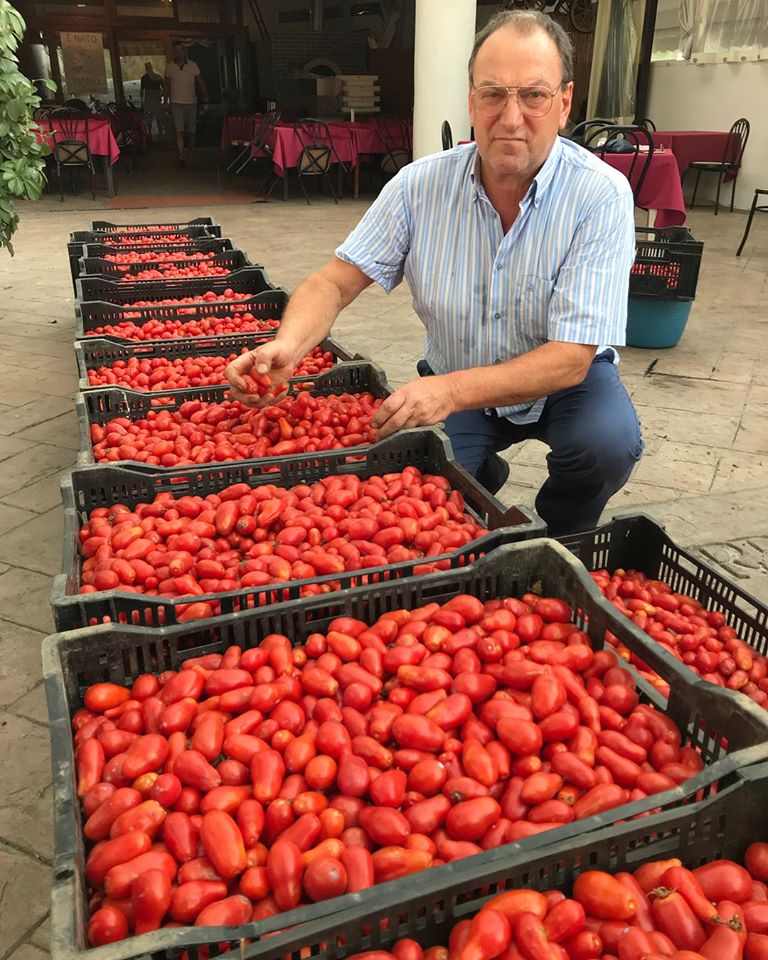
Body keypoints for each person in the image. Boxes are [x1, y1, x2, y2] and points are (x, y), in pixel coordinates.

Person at [225, 10, 643, 538]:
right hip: (457, 367)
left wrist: (448, 393)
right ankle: (482, 478)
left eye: (533, 96)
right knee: (426, 493)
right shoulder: (418, 186)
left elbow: (570, 357)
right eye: (492, 94)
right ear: (471, 101)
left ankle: (564, 531)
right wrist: (289, 345)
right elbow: (334, 281)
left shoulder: (600, 195)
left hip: (564, 385)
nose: (510, 117)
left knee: (605, 445)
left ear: (563, 103)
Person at [164, 41, 208, 166]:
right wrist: (166, 101)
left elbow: (200, 81)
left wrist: (205, 95)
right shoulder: (169, 66)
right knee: (179, 130)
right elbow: (167, 85)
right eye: (176, 50)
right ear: (174, 52)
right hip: (176, 102)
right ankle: (181, 156)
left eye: (181, 50)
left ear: (184, 51)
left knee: (192, 130)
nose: (179, 52)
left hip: (191, 102)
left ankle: (192, 153)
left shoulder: (193, 65)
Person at [140, 60, 165, 140]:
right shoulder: (157, 77)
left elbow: (141, 90)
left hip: (148, 101)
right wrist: (162, 95)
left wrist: (142, 102)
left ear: (146, 69)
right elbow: (164, 87)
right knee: (158, 118)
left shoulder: (144, 78)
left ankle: (149, 134)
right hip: (156, 100)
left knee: (149, 119)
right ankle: (160, 133)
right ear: (151, 68)